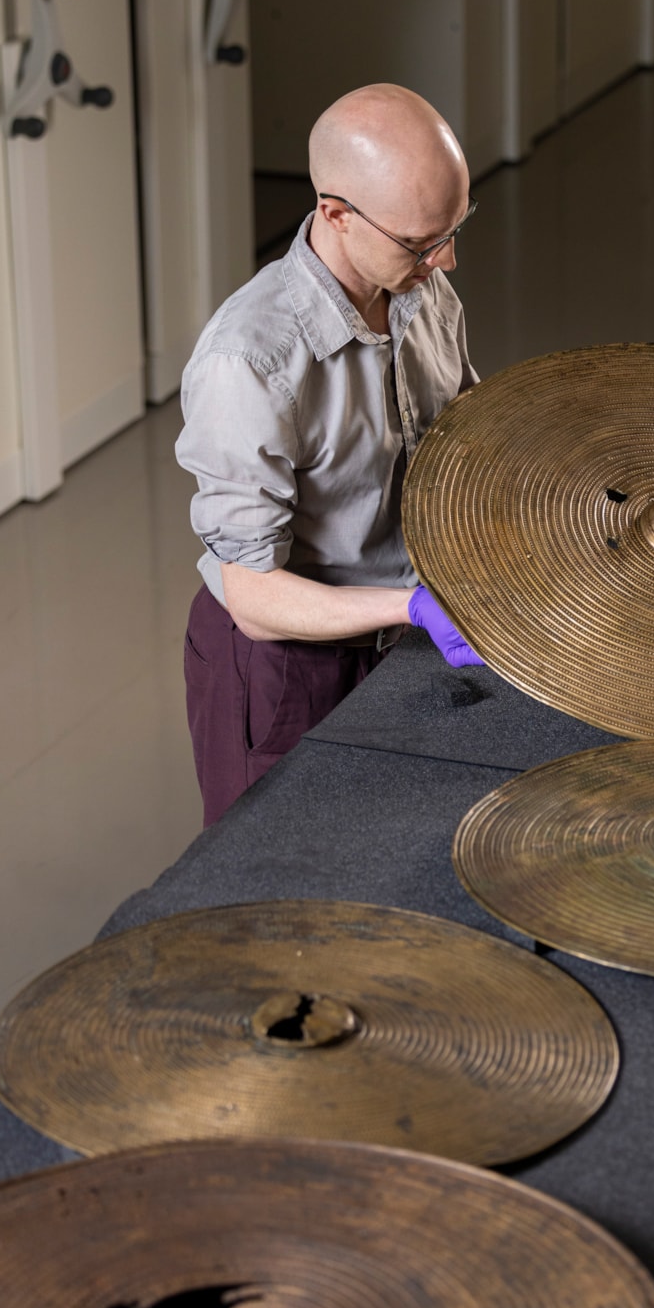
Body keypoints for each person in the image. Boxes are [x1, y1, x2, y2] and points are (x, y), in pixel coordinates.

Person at [176, 82, 483, 826]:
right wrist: (411, 604)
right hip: (289, 663)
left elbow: (464, 429)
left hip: (402, 635)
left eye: (456, 228)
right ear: (335, 213)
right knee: (288, 883)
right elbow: (252, 598)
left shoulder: (421, 289)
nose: (446, 261)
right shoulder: (248, 363)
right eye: (421, 242)